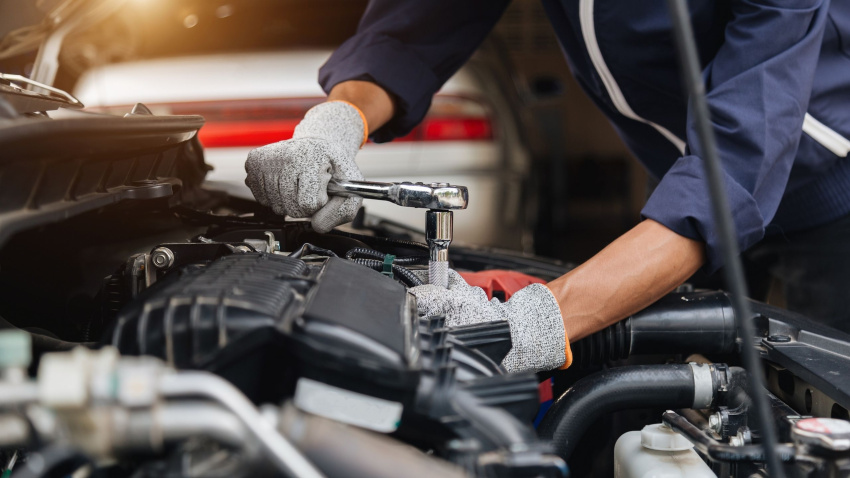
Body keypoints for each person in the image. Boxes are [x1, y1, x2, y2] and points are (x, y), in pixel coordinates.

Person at [245, 0, 850, 373]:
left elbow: (737, 167)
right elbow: (411, 28)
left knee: (822, 400)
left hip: (828, 188)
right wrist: (336, 124)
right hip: (679, 182)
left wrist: (534, 319)